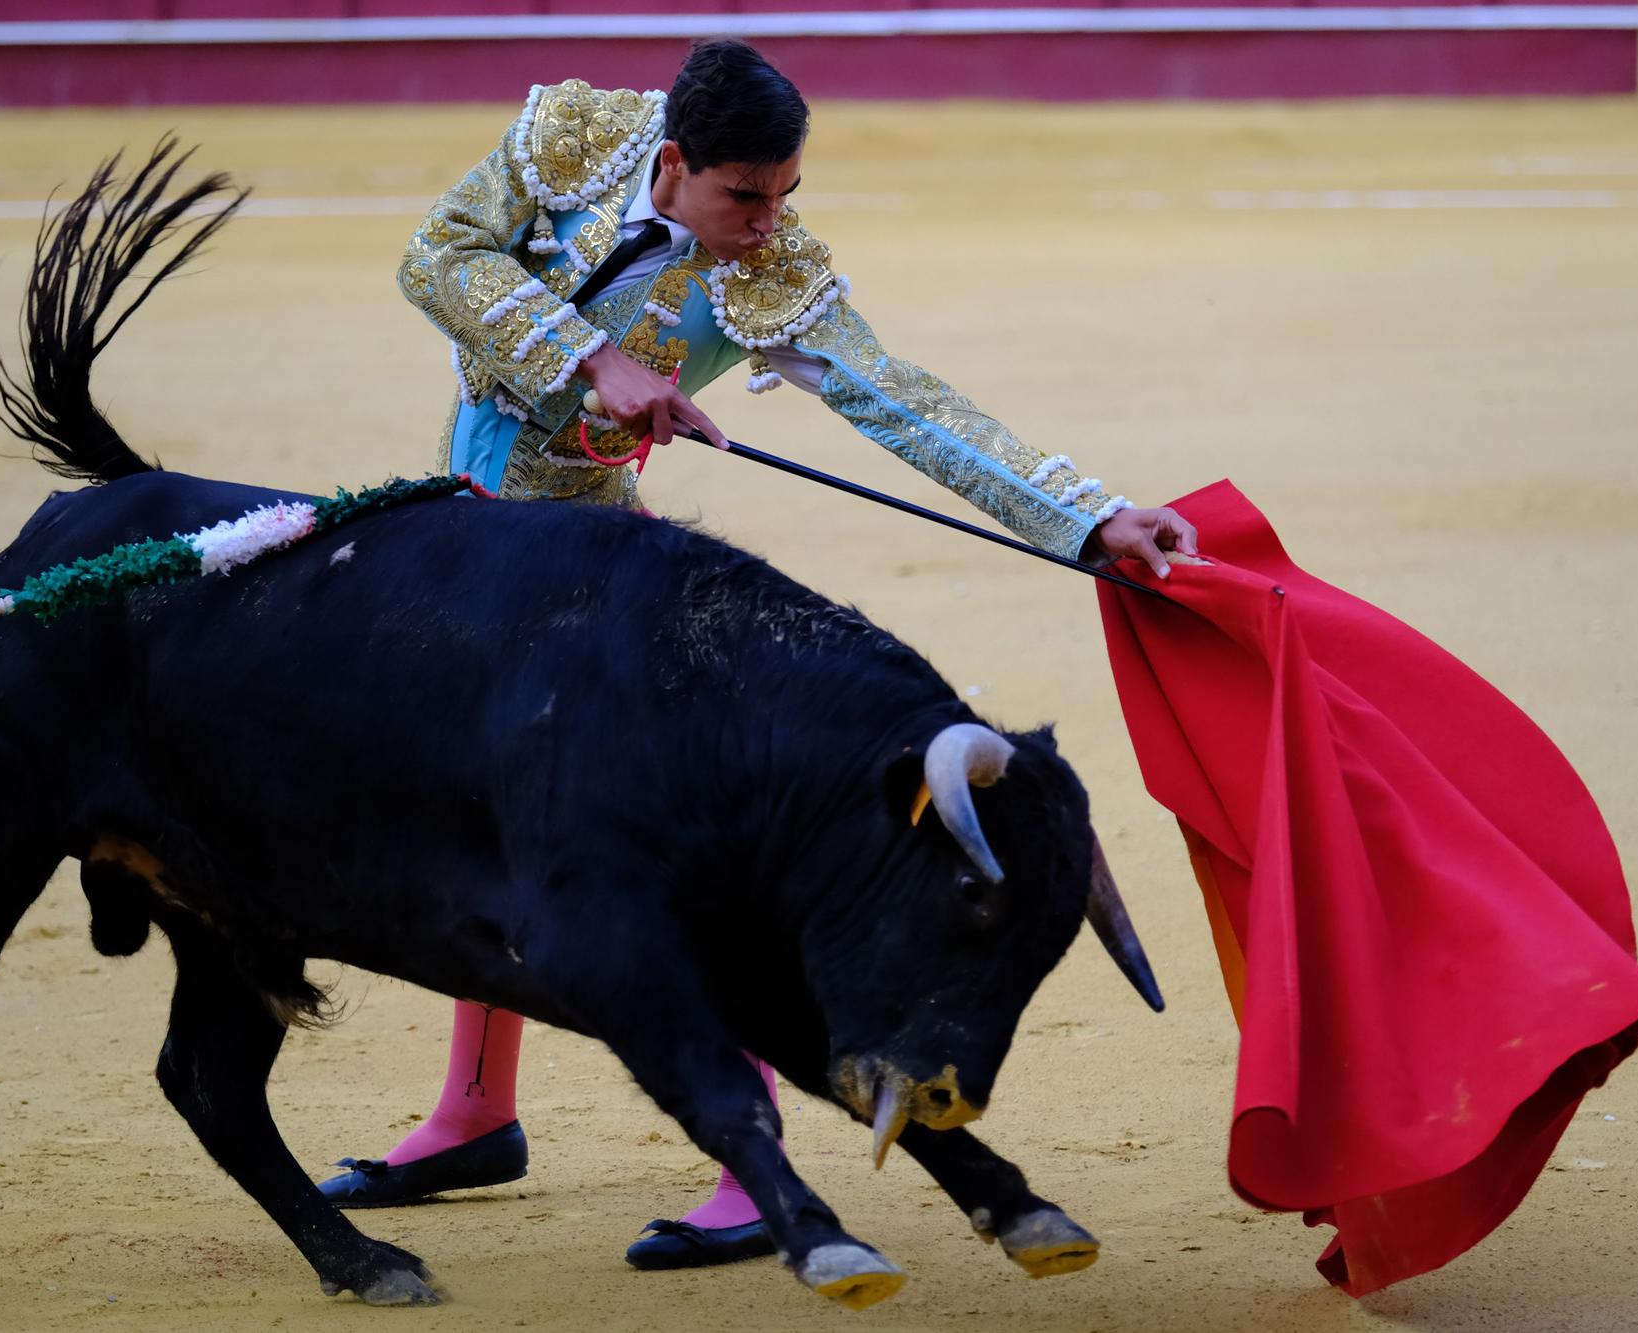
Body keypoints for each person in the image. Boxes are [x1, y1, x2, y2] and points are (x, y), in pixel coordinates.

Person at [317, 38, 1196, 1270]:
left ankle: (748, 1150)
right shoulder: (574, 140)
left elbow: (901, 400)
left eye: (786, 194)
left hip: (581, 564)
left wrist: (1087, 517)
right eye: (744, 196)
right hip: (478, 532)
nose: (767, 223)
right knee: (486, 818)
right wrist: (594, 357)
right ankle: (475, 1113)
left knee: (635, 840)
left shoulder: (771, 273)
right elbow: (435, 256)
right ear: (670, 163)